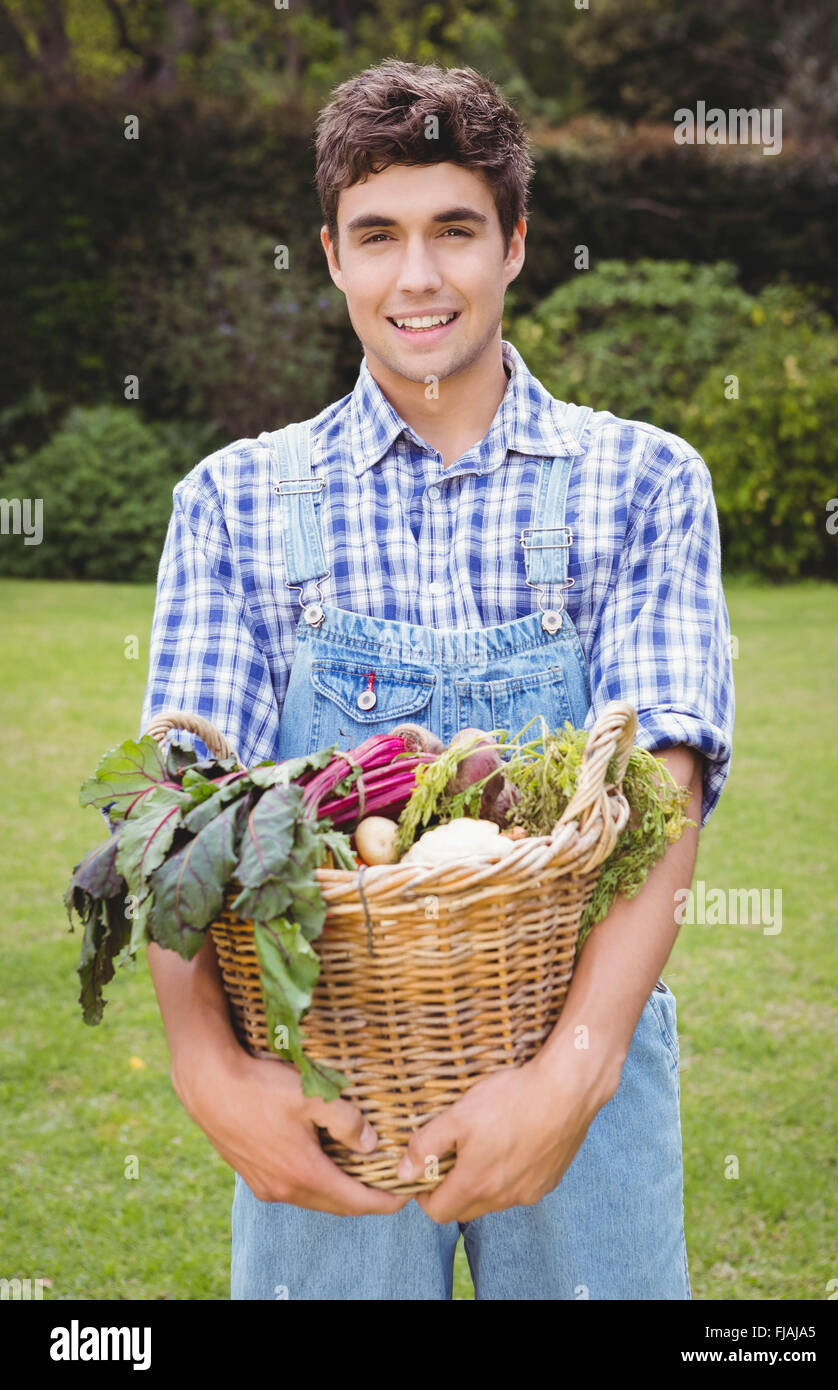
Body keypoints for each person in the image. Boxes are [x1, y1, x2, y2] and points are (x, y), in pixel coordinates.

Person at [140, 58, 735, 1301]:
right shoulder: (234, 502)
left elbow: (664, 781)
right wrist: (210, 1069)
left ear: (515, 244)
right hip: (327, 1076)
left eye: (454, 230)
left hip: (580, 1046)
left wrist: (573, 1069)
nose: (417, 277)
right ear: (330, 254)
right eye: (378, 236)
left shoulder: (644, 482)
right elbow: (177, 814)